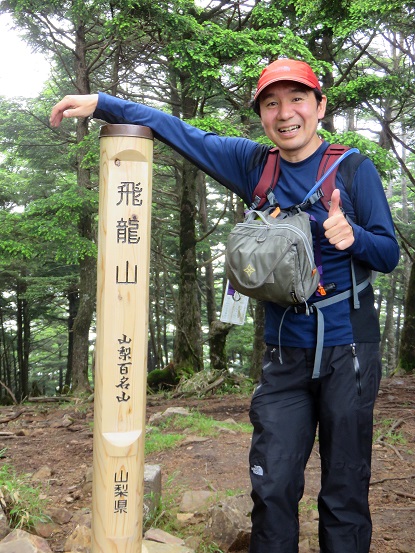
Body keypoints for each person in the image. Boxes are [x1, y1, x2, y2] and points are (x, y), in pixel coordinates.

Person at [50, 58, 400, 553]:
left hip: (350, 353)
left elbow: (388, 254)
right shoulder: (256, 165)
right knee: (272, 487)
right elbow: (180, 132)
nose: (285, 113)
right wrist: (103, 104)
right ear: (261, 114)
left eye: (297, 99)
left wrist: (353, 236)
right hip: (283, 355)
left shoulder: (354, 170)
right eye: (271, 103)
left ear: (319, 107)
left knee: (344, 493)